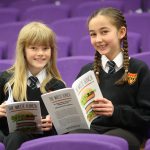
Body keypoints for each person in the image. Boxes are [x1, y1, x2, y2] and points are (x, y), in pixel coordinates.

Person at [72, 7, 150, 150]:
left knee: (108, 143)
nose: (98, 39)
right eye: (93, 34)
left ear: (121, 32)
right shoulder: (86, 71)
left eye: (104, 32)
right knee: (71, 139)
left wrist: (115, 111)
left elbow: (146, 116)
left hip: (126, 131)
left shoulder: (139, 69)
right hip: (92, 129)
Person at [0, 21, 66, 150]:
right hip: (9, 137)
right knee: (15, 136)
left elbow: (63, 127)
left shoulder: (58, 85)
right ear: (23, 50)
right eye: (34, 48)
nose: (40, 53)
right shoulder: (5, 79)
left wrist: (54, 122)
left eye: (45, 48)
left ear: (51, 51)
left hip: (43, 139)